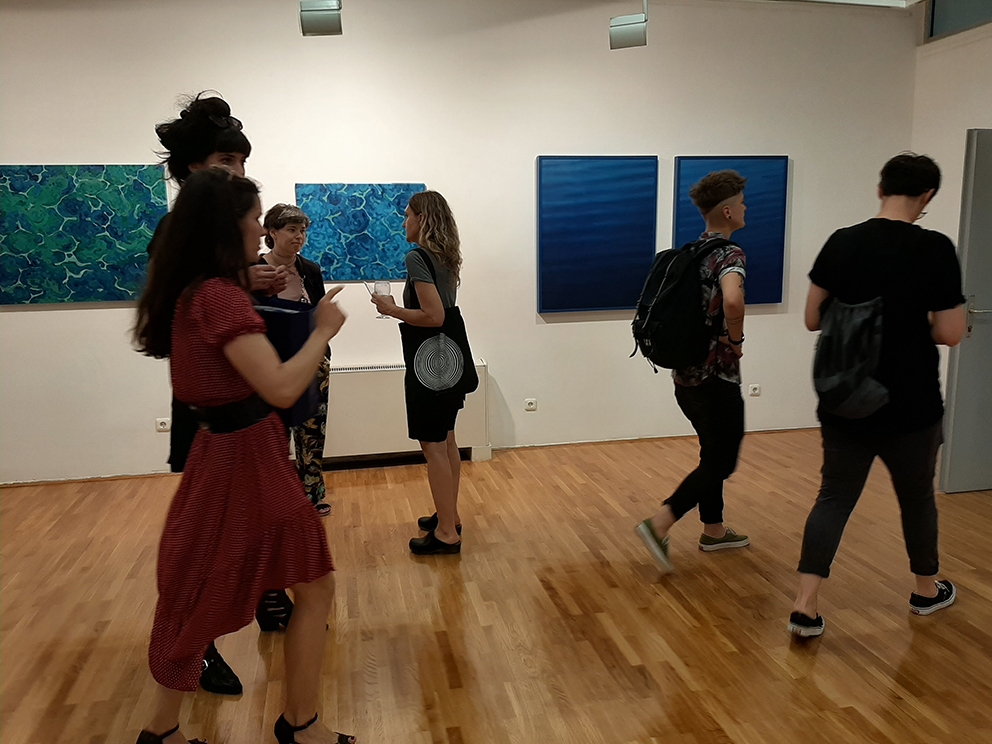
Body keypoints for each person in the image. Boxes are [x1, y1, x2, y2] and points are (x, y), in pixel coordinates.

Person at [133, 168, 355, 744]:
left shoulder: (196, 290)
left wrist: (247, 284)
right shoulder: (218, 299)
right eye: (255, 218)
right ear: (225, 225)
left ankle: (164, 731)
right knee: (308, 586)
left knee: (199, 588)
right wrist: (321, 330)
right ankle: (300, 726)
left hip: (225, 454)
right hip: (247, 461)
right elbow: (280, 387)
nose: (261, 229)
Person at [788, 153, 966, 638]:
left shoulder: (842, 242)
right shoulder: (934, 248)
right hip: (912, 403)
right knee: (916, 498)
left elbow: (812, 319)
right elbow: (951, 332)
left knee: (834, 496)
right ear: (927, 195)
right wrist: (916, 323)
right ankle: (925, 591)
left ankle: (805, 604)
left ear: (880, 189)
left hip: (845, 398)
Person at [150, 93, 292, 693]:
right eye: (224, 161)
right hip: (213, 403)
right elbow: (183, 305)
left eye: (240, 162)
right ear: (192, 168)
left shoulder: (226, 232)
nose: (235, 172)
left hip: (246, 397)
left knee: (257, 511)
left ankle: (264, 592)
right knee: (208, 533)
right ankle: (196, 647)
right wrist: (242, 281)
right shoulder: (176, 232)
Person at [636, 170, 750, 573]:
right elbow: (733, 301)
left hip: (685, 376)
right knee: (723, 460)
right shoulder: (729, 255)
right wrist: (735, 339)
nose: (746, 208)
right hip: (718, 375)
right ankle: (660, 523)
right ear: (727, 211)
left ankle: (714, 530)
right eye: (741, 202)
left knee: (711, 451)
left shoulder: (689, 253)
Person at [371, 191, 467, 555]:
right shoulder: (446, 256)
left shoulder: (417, 257)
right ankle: (449, 515)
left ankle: (446, 534)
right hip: (450, 361)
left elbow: (433, 316)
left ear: (422, 219)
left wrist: (391, 308)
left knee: (433, 446)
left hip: (431, 366)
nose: (404, 222)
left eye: (408, 215)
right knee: (447, 440)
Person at [259, 204, 332, 518]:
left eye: (302, 231)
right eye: (291, 230)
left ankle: (311, 498)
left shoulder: (310, 270)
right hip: (270, 366)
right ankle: (273, 503)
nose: (299, 236)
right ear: (272, 233)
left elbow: (321, 313)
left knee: (312, 435)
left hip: (313, 362)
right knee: (273, 437)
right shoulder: (255, 270)